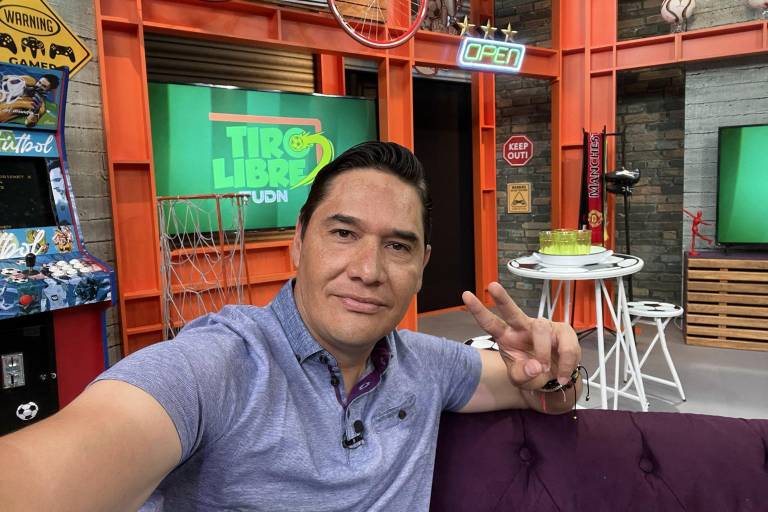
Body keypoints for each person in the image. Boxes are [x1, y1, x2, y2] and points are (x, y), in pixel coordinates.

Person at [0, 141, 581, 511]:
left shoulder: (425, 363)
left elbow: (539, 393)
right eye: (343, 233)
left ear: (422, 265)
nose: (368, 271)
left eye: (398, 246)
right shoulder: (218, 366)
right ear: (298, 242)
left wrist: (555, 371)